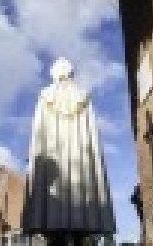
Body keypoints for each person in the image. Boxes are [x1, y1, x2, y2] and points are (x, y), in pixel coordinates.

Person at [22, 57, 116, 245]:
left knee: (54, 236)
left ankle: (55, 231)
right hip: (79, 166)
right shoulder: (83, 96)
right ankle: (80, 230)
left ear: (54, 73)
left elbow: (40, 135)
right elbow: (90, 135)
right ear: (71, 72)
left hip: (53, 160)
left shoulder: (45, 95)